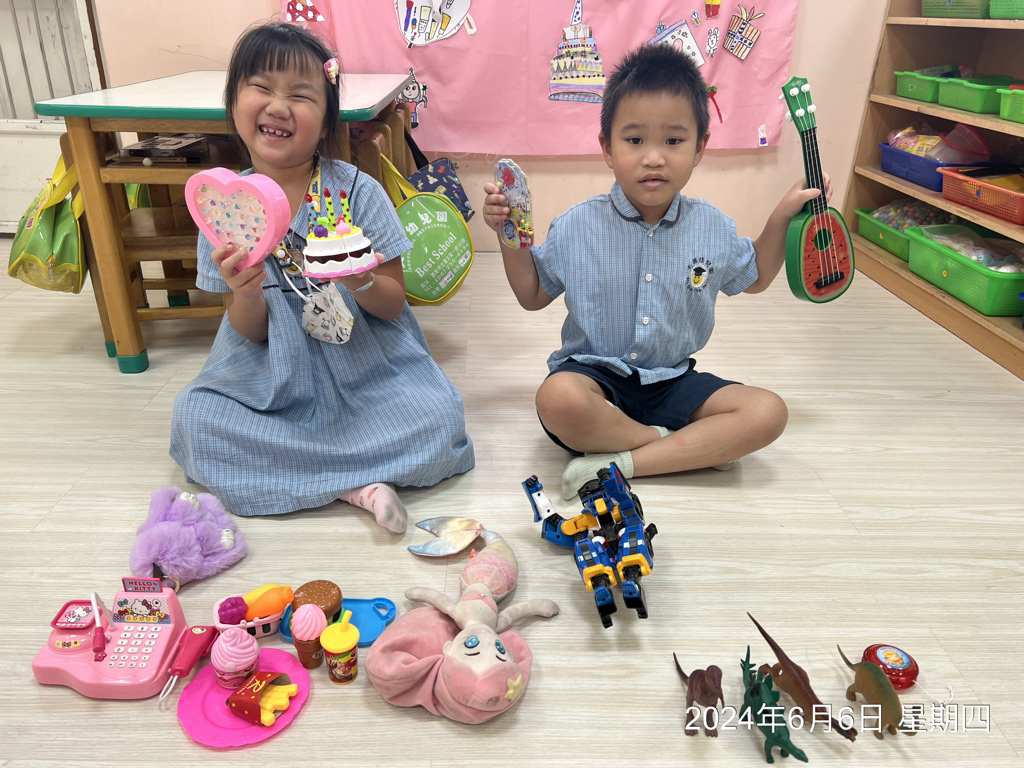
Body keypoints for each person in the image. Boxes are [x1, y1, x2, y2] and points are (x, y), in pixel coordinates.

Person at [482, 44, 831, 500]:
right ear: (607, 148)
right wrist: (509, 236)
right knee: (558, 399)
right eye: (634, 140)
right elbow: (531, 295)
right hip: (595, 379)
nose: (653, 158)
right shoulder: (577, 224)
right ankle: (679, 447)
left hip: (673, 381)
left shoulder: (712, 226)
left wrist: (782, 216)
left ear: (699, 147)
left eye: (673, 141)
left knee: (768, 412)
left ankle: (618, 463)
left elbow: (757, 275)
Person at [170, 22, 473, 531]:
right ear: (234, 101)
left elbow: (392, 304)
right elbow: (247, 331)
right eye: (262, 88)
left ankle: (317, 476)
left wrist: (357, 277)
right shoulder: (221, 207)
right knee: (195, 421)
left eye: (300, 95)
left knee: (440, 417)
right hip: (269, 376)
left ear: (327, 117)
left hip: (367, 366)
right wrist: (246, 293)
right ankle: (359, 485)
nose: (278, 106)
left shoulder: (358, 191)